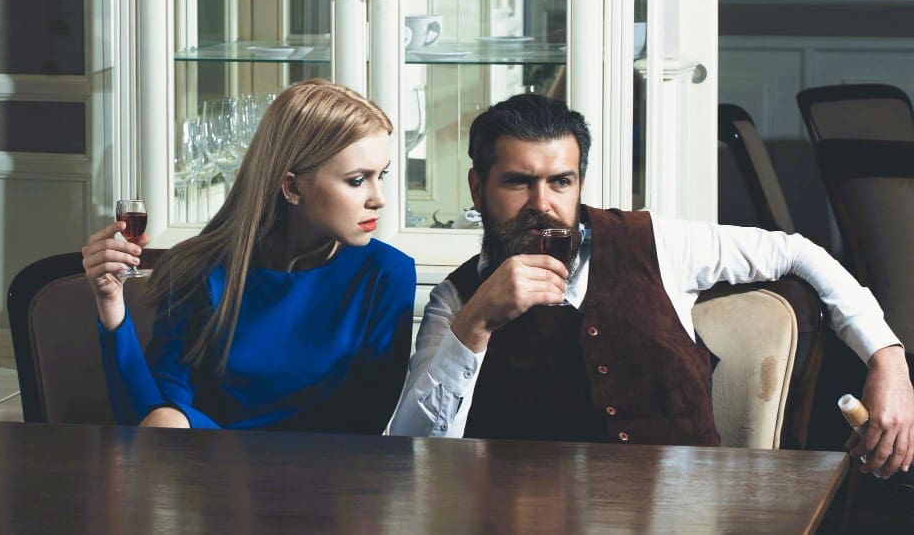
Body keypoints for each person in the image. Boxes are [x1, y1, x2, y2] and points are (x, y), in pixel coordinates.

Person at [390, 92, 914, 480]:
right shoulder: (456, 302)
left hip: (688, 518)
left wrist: (888, 360)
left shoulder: (655, 241)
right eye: (517, 182)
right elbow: (414, 454)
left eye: (560, 182)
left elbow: (799, 253)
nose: (541, 204)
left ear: (580, 184)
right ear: (478, 189)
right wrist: (476, 325)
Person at [82, 80, 415, 432]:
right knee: (165, 423)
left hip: (328, 473)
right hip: (212, 470)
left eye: (382, 175)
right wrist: (111, 306)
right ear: (292, 187)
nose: (379, 198)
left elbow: (367, 423)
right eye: (357, 180)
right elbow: (151, 417)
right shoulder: (200, 269)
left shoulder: (387, 274)